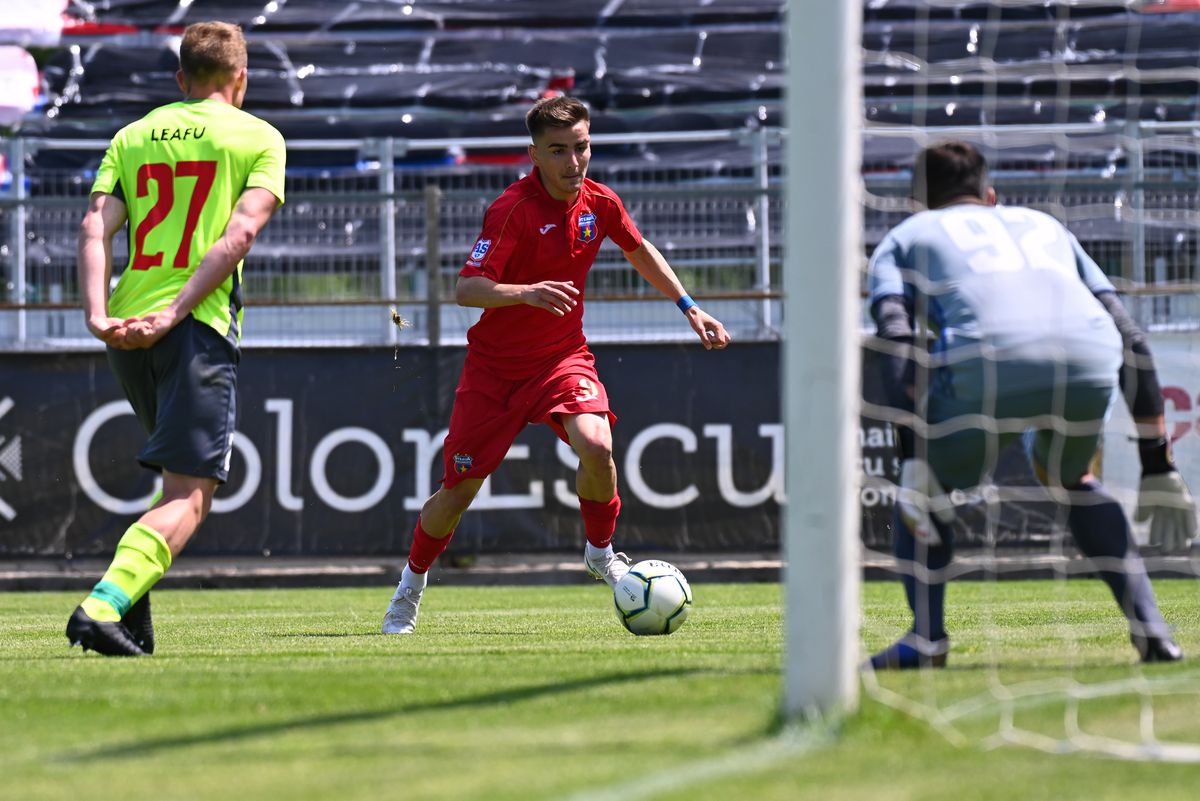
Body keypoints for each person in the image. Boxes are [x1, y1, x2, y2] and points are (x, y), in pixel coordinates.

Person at [381, 95, 731, 634]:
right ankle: (410, 586)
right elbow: (465, 289)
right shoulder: (511, 209)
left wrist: (690, 306)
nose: (574, 162)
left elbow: (638, 249)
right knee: (459, 491)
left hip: (563, 358)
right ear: (534, 155)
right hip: (495, 372)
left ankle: (600, 552)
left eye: (582, 147)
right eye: (559, 151)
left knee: (597, 445)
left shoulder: (601, 203)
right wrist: (525, 291)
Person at [867, 140, 1196, 669]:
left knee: (926, 489)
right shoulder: (1046, 227)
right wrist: (1157, 464)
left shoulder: (906, 235)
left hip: (982, 362)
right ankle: (1153, 630)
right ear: (990, 195)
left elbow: (896, 338)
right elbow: (1131, 338)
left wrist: (912, 457)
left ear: (917, 203)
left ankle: (926, 640)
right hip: (1088, 357)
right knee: (1074, 481)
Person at [67, 21, 285, 656]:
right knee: (191, 499)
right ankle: (101, 608)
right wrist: (175, 313)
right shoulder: (259, 137)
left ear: (181, 79)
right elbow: (237, 237)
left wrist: (95, 315)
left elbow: (92, 228)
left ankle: (132, 607)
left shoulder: (133, 135)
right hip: (192, 330)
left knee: (172, 483)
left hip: (126, 331)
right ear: (241, 77)